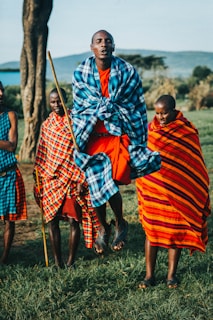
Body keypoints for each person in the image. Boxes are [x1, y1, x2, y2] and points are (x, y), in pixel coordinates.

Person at [71, 30, 161, 255]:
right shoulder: (81, 73)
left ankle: (120, 221)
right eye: (99, 41)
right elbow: (81, 108)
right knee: (95, 183)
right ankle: (103, 227)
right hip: (92, 137)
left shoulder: (127, 72)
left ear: (113, 46)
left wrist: (113, 112)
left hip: (116, 137)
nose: (103, 45)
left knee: (110, 181)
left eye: (107, 41)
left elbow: (135, 106)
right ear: (91, 47)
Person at [136, 94, 211, 288]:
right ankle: (149, 275)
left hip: (177, 193)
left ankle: (171, 275)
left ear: (174, 110)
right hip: (153, 190)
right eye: (158, 113)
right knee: (151, 233)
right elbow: (143, 158)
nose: (160, 117)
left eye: (165, 113)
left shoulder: (186, 132)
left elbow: (193, 164)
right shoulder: (150, 130)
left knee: (174, 233)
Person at [34, 88, 100, 268]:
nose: (56, 105)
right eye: (53, 102)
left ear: (66, 100)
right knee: (52, 220)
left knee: (73, 220)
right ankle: (57, 262)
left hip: (73, 178)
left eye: (59, 101)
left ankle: (70, 261)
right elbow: (42, 153)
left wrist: (81, 179)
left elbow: (85, 151)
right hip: (52, 179)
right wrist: (39, 178)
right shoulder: (47, 125)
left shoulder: (75, 122)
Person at [0, 81, 27, 264]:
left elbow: (11, 146)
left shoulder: (10, 115)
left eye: (1, 89)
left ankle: (4, 258)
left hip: (9, 174)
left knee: (9, 219)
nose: (1, 93)